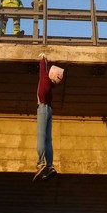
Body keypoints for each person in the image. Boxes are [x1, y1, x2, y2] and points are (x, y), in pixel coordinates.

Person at [33, 53, 64, 181]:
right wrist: (45, 61)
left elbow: (43, 71)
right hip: (50, 110)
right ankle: (50, 165)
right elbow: (46, 71)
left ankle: (40, 162)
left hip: (43, 109)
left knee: (41, 136)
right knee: (48, 140)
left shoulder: (45, 81)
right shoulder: (50, 86)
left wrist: (42, 59)